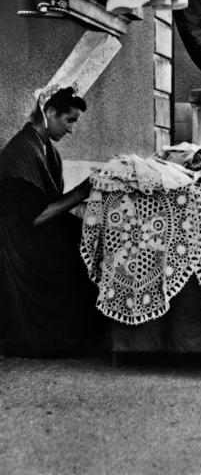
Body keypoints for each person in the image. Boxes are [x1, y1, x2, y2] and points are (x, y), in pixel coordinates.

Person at [0, 85, 100, 357]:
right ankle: (74, 338)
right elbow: (34, 216)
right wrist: (82, 192)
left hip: (36, 233)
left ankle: (92, 334)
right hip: (21, 246)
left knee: (90, 236)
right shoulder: (21, 151)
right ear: (50, 112)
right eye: (69, 121)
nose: (71, 130)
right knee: (80, 252)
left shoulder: (46, 148)